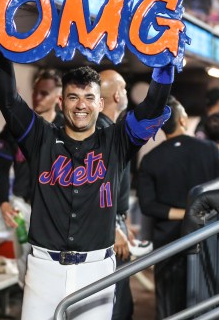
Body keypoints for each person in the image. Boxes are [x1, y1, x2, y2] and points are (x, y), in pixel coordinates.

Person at [0, 51, 172, 319]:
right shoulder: (40, 137)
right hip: (44, 268)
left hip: (96, 269)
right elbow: (9, 101)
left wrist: (165, 65)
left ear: (100, 103)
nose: (81, 105)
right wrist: (3, 51)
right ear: (61, 100)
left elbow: (152, 107)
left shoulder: (117, 141)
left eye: (89, 97)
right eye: (74, 97)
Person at [137, 96, 219, 318]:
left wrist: (183, 213)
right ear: (183, 120)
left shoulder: (150, 159)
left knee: (169, 307)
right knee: (207, 301)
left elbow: (148, 206)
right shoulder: (209, 150)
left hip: (168, 244)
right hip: (206, 236)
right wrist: (195, 212)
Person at [0, 68, 63, 288]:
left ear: (58, 98)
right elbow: (1, 168)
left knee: (54, 266)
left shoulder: (67, 128)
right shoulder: (18, 124)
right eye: (36, 92)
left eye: (45, 93)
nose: (37, 97)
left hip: (55, 208)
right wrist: (3, 201)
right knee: (25, 265)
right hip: (22, 206)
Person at [97, 69, 134, 320]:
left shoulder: (110, 128)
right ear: (118, 95)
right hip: (106, 225)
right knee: (115, 305)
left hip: (114, 221)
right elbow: (98, 185)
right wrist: (114, 227)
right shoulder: (104, 132)